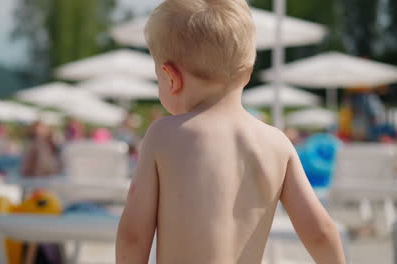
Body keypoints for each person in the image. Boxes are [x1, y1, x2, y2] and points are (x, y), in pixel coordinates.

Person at [116, 1, 346, 264]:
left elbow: (133, 234)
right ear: (247, 72)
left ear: (171, 78)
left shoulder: (163, 136)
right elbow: (319, 231)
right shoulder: (277, 144)